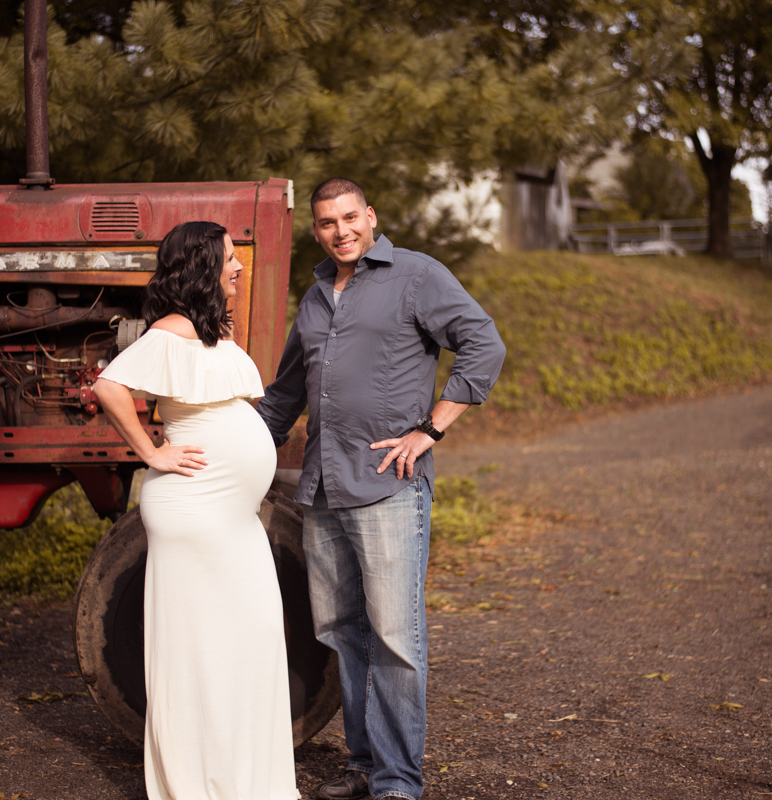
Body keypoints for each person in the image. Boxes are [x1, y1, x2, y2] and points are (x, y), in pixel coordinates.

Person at [256, 178, 506, 800]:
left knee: (395, 638)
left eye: (349, 218)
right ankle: (365, 767)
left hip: (388, 487)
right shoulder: (315, 298)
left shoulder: (416, 276)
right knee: (341, 634)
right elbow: (285, 395)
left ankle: (399, 781)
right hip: (322, 487)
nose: (341, 231)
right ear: (315, 230)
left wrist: (430, 429)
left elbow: (483, 344)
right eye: (326, 223)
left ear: (371, 216)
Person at [94, 221, 299, 800]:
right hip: (195, 510)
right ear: (203, 267)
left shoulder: (211, 331)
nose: (239, 268)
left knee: (249, 638)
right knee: (202, 650)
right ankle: (198, 785)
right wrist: (150, 451)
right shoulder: (171, 331)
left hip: (230, 519)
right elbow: (109, 387)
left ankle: (243, 780)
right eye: (230, 259)